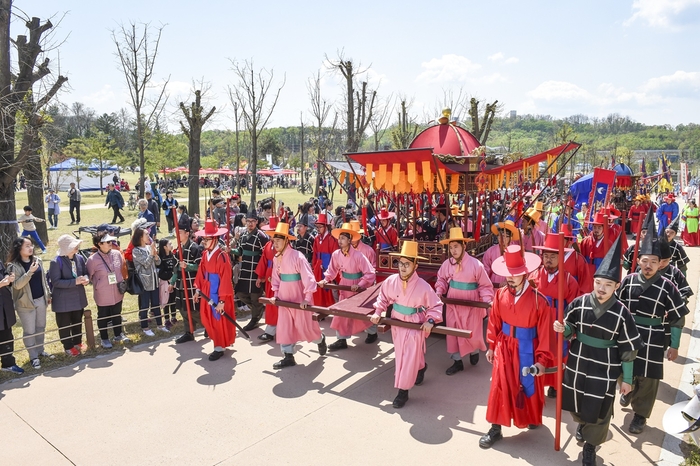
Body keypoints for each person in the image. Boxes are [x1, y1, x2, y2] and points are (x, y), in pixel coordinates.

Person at [554, 234, 643, 466]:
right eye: (598, 283)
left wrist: (627, 379)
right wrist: (562, 329)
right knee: (577, 401)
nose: (601, 288)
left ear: (617, 286)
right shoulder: (580, 302)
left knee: (600, 407)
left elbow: (628, 349)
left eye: (608, 284)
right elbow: (570, 329)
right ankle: (582, 425)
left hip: (605, 367)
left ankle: (591, 448)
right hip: (578, 362)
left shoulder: (622, 313)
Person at [616, 210, 688, 435]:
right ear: (638, 260)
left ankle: (640, 415)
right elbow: (616, 309)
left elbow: (677, 317)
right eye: (644, 261)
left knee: (648, 378)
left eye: (653, 262)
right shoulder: (627, 281)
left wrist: (674, 345)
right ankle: (627, 390)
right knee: (622, 369)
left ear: (660, 264)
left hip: (654, 337)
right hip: (628, 335)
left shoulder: (668, 286)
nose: (648, 266)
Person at [479, 244, 553, 449]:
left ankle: (530, 416)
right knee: (499, 386)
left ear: (525, 273)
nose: (510, 278)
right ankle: (495, 427)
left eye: (515, 274)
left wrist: (542, 360)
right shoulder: (500, 294)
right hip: (504, 346)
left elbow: (546, 334)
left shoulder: (540, 301)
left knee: (527, 385)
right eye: (508, 274)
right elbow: (493, 320)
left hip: (528, 348)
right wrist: (492, 346)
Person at [369, 241, 443, 408]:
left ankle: (403, 392)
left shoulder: (423, 286)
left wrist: (430, 320)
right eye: (400, 263)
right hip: (397, 323)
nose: (402, 267)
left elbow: (436, 305)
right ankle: (421, 367)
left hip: (414, 325)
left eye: (407, 264)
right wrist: (378, 311)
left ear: (415, 265)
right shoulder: (390, 281)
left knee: (407, 357)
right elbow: (382, 298)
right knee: (403, 353)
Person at [266, 222, 327, 369]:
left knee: (305, 326)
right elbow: (275, 277)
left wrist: (307, 298)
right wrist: (275, 294)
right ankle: (288, 355)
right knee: (284, 326)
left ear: (286, 241)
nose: (275, 244)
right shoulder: (276, 258)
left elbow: (308, 277)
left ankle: (320, 339)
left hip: (298, 296)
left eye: (278, 241)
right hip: (283, 296)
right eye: (274, 241)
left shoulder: (298, 256)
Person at [435, 227, 494, 375]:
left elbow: (485, 286)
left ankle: (474, 352)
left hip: (471, 302)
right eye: (451, 247)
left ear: (464, 246)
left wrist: (488, 301)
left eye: (456, 246)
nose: (453, 250)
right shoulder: (447, 264)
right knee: (453, 332)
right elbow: (441, 279)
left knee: (472, 330)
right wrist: (439, 291)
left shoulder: (476, 265)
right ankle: (457, 361)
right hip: (453, 302)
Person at [531, 233, 580, 398]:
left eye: (553, 256)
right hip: (539, 321)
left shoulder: (569, 280)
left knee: (558, 353)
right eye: (546, 256)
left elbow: (574, 306)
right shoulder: (534, 276)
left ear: (561, 257)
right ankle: (540, 382)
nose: (549, 259)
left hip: (558, 321)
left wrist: (568, 325)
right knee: (539, 351)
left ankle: (557, 385)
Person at [319, 222, 376, 350]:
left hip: (357, 286)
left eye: (343, 238)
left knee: (362, 314)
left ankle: (372, 332)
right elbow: (331, 270)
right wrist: (325, 279)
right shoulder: (336, 254)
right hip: (344, 284)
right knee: (341, 312)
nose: (340, 241)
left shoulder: (359, 255)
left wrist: (360, 284)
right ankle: (341, 339)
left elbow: (370, 272)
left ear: (350, 240)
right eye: (339, 238)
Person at [193, 219, 237, 361]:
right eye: (203, 239)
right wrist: (197, 289)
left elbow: (225, 279)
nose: (204, 242)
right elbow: (201, 271)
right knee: (207, 318)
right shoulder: (206, 254)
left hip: (218, 292)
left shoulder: (222, 256)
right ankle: (217, 342)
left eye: (207, 239)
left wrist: (222, 300)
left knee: (218, 319)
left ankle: (219, 346)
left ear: (215, 239)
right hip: (207, 289)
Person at [7, 237, 52, 368]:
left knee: (40, 327)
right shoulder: (13, 266)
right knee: (30, 331)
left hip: (41, 300)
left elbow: (43, 279)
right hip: (25, 304)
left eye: (31, 245)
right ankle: (33, 357)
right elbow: (16, 285)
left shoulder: (37, 260)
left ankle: (40, 350)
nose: (31, 248)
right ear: (19, 248)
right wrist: (29, 273)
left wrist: (48, 294)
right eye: (27, 246)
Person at [86, 232, 129, 348]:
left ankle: (118, 334)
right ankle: (104, 338)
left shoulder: (117, 254)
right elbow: (88, 276)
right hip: (102, 293)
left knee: (117, 313)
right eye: (108, 242)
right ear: (99, 244)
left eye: (112, 241)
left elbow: (121, 269)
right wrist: (98, 283)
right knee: (103, 316)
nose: (112, 243)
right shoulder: (92, 260)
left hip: (117, 290)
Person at [50, 235, 89, 357]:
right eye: (73, 245)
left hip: (78, 296)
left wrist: (86, 278)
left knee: (77, 320)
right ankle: (68, 346)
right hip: (63, 300)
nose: (77, 247)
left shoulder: (79, 258)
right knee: (64, 324)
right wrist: (75, 282)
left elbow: (84, 272)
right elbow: (56, 282)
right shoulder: (56, 262)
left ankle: (77, 341)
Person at [233, 211, 269, 331]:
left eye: (253, 221)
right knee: (240, 293)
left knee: (255, 295)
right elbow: (240, 251)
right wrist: (231, 251)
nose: (250, 224)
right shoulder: (242, 235)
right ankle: (258, 309)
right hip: (245, 269)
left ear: (257, 222)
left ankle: (254, 319)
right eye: (248, 221)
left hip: (256, 269)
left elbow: (266, 254)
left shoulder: (262, 236)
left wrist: (262, 272)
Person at [172, 215, 203, 344]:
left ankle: (208, 325)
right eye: (176, 232)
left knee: (193, 309)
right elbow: (175, 268)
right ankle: (188, 332)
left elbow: (200, 267)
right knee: (183, 308)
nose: (177, 235)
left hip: (191, 283)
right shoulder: (177, 249)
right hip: (180, 283)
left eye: (180, 232)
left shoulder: (195, 248)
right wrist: (172, 282)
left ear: (187, 233)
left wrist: (188, 266)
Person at [131, 227, 166, 336]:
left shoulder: (148, 247)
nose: (148, 236)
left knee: (156, 304)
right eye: (146, 234)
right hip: (144, 282)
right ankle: (145, 327)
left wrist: (155, 254)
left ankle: (160, 325)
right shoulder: (136, 250)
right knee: (145, 305)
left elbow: (158, 262)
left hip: (154, 281)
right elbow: (145, 264)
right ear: (140, 237)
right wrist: (151, 254)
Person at [254, 217, 280, 342]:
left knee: (278, 304)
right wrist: (260, 276)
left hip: (280, 278)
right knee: (271, 304)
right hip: (269, 278)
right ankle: (272, 329)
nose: (270, 234)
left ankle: (273, 330)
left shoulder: (284, 245)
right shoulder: (268, 245)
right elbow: (264, 261)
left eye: (273, 231)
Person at [0, 261, 23, 374]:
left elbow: (3, 273)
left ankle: (8, 363)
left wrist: (9, 278)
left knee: (7, 335)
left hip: (4, 304)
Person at [483, 220, 520, 289]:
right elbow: (486, 268)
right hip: (493, 283)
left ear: (511, 238)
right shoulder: (490, 251)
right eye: (500, 235)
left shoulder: (515, 251)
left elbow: (517, 270)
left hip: (510, 283)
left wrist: (508, 280)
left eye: (506, 236)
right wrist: (487, 282)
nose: (502, 238)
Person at [311, 213, 338, 307]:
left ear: (326, 226)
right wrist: (314, 266)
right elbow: (314, 253)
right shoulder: (317, 239)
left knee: (331, 290)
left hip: (329, 267)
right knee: (319, 290)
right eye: (317, 227)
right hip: (318, 267)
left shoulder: (332, 239)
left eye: (320, 226)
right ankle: (320, 309)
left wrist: (331, 268)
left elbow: (335, 256)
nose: (318, 229)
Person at [561, 223, 593, 294]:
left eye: (562, 241)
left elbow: (585, 285)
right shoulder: (555, 257)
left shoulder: (579, 260)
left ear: (569, 242)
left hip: (573, 297)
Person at [579, 210, 610, 277]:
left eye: (599, 228)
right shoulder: (585, 242)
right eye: (595, 227)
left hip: (601, 275)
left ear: (603, 228)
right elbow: (581, 260)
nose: (596, 230)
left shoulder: (609, 244)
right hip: (587, 275)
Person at [158, 238, 178, 330]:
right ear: (165, 247)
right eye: (169, 243)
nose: (171, 244)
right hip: (165, 282)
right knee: (166, 301)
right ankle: (166, 319)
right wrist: (169, 276)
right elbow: (161, 272)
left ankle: (173, 316)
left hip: (173, 282)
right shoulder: (160, 259)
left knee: (173, 299)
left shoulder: (173, 256)